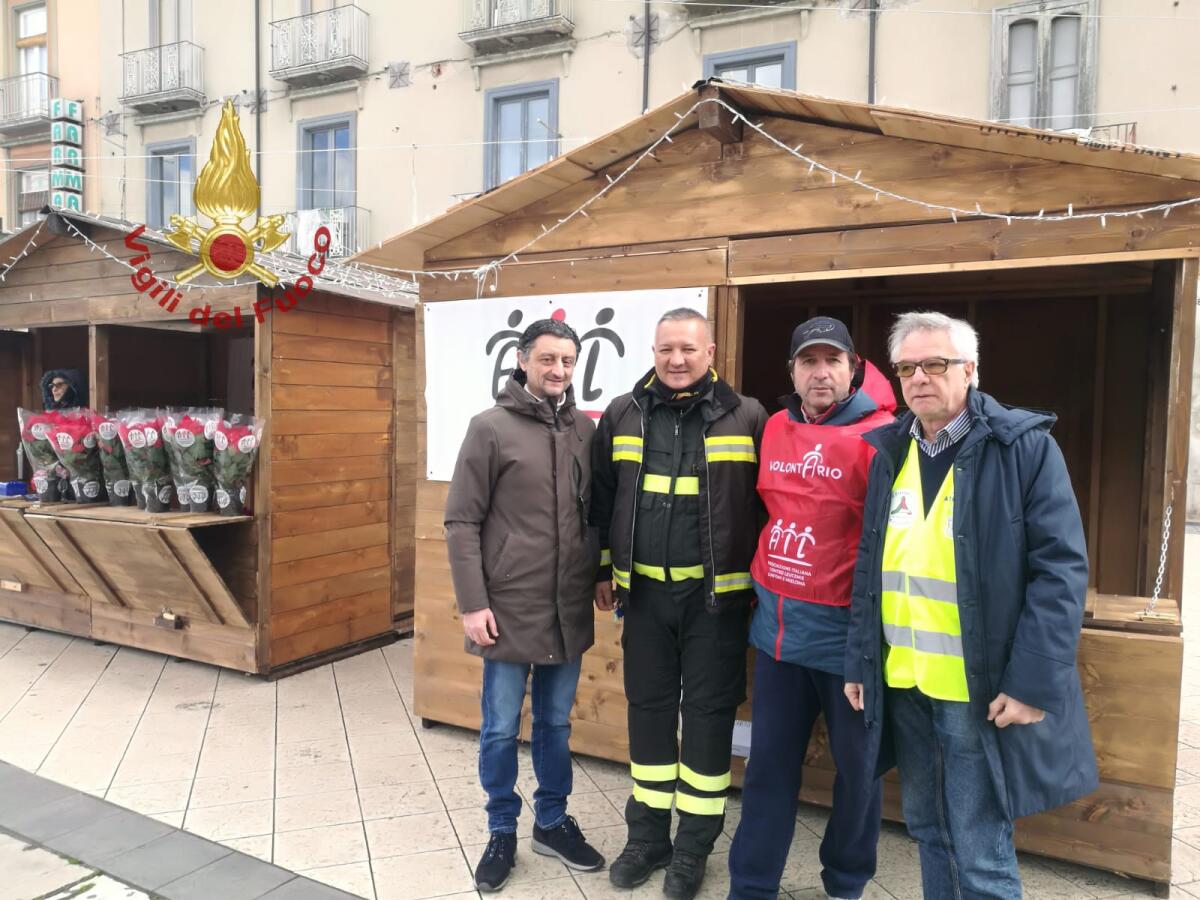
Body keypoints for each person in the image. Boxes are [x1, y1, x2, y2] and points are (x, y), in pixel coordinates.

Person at [844, 311, 1098, 899]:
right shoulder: (892, 451)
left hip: (975, 690)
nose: (919, 378)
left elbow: (1060, 571)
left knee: (980, 847)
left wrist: (1034, 683)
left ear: (970, 370)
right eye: (907, 367)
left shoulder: (1024, 448)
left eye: (936, 364)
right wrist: (860, 660)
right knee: (930, 830)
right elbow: (871, 566)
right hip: (905, 682)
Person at [591, 307, 767, 899]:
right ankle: (647, 839)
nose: (676, 359)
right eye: (666, 348)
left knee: (711, 720)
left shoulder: (747, 417)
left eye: (689, 349)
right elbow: (602, 500)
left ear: (711, 352)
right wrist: (601, 570)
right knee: (648, 712)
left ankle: (693, 848)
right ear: (653, 350)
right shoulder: (623, 413)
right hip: (643, 598)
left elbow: (766, 510)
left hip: (715, 602)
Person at [728, 317, 895, 900]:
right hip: (778, 637)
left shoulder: (883, 437)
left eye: (832, 361)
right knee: (768, 769)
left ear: (853, 368)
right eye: (808, 362)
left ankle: (846, 881)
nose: (820, 372)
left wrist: (870, 641)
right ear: (793, 372)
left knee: (859, 773)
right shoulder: (773, 427)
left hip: (850, 642)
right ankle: (750, 885)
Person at [444, 318, 606, 893]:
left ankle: (553, 821)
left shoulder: (587, 430)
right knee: (499, 727)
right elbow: (461, 520)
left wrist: (601, 572)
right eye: (547, 359)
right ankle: (501, 827)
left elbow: (596, 514)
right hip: (507, 607)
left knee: (557, 725)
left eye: (567, 360)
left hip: (567, 606)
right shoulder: (489, 428)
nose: (558, 370)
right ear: (522, 359)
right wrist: (472, 603)